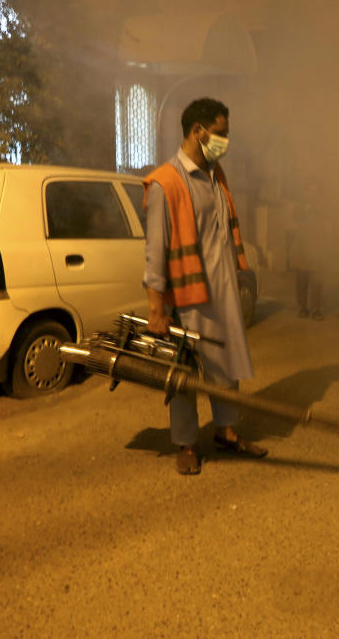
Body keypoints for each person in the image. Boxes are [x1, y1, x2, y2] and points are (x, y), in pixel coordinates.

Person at [142, 97, 266, 475]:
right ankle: (187, 444)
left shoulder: (216, 174)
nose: (225, 141)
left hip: (223, 294)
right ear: (198, 131)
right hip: (189, 298)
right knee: (185, 374)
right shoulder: (167, 182)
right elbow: (155, 251)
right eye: (220, 133)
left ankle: (226, 432)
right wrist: (157, 309)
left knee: (226, 367)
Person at [288, 181, 331, 320]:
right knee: (301, 280)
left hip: (318, 247)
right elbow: (294, 219)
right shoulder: (301, 207)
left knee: (317, 280)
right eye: (309, 191)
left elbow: (328, 227)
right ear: (305, 192)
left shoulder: (324, 208)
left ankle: (316, 310)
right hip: (302, 247)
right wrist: (306, 210)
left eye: (315, 191)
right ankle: (302, 308)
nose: (312, 194)